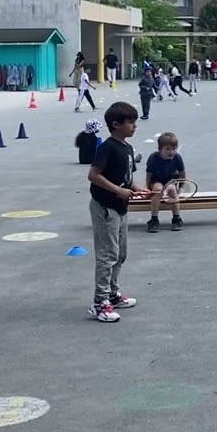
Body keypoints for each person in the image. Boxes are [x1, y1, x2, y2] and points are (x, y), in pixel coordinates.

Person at [86, 101, 149, 323]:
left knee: (120, 253)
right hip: (105, 207)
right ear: (115, 124)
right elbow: (94, 175)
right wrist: (118, 191)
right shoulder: (107, 147)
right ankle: (99, 302)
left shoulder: (128, 148)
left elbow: (127, 178)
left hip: (122, 208)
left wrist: (137, 188)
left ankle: (112, 293)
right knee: (107, 255)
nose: (134, 126)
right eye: (130, 122)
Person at [145, 131, 187, 233]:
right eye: (167, 149)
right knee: (157, 190)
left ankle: (176, 218)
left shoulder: (177, 158)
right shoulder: (153, 158)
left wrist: (180, 187)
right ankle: (154, 219)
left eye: (174, 149)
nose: (171, 152)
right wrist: (148, 189)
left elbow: (182, 174)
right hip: (157, 180)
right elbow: (149, 175)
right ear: (160, 149)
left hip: (171, 180)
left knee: (172, 189)